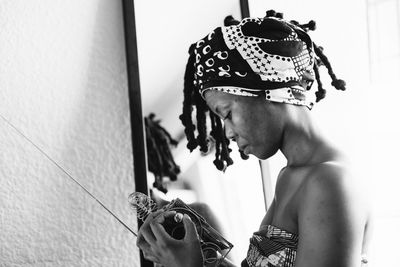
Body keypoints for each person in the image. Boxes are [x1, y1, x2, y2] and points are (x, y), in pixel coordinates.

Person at [136, 10, 371, 267]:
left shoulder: (330, 183)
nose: (227, 132)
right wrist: (202, 249)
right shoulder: (291, 177)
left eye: (227, 113)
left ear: (269, 88)